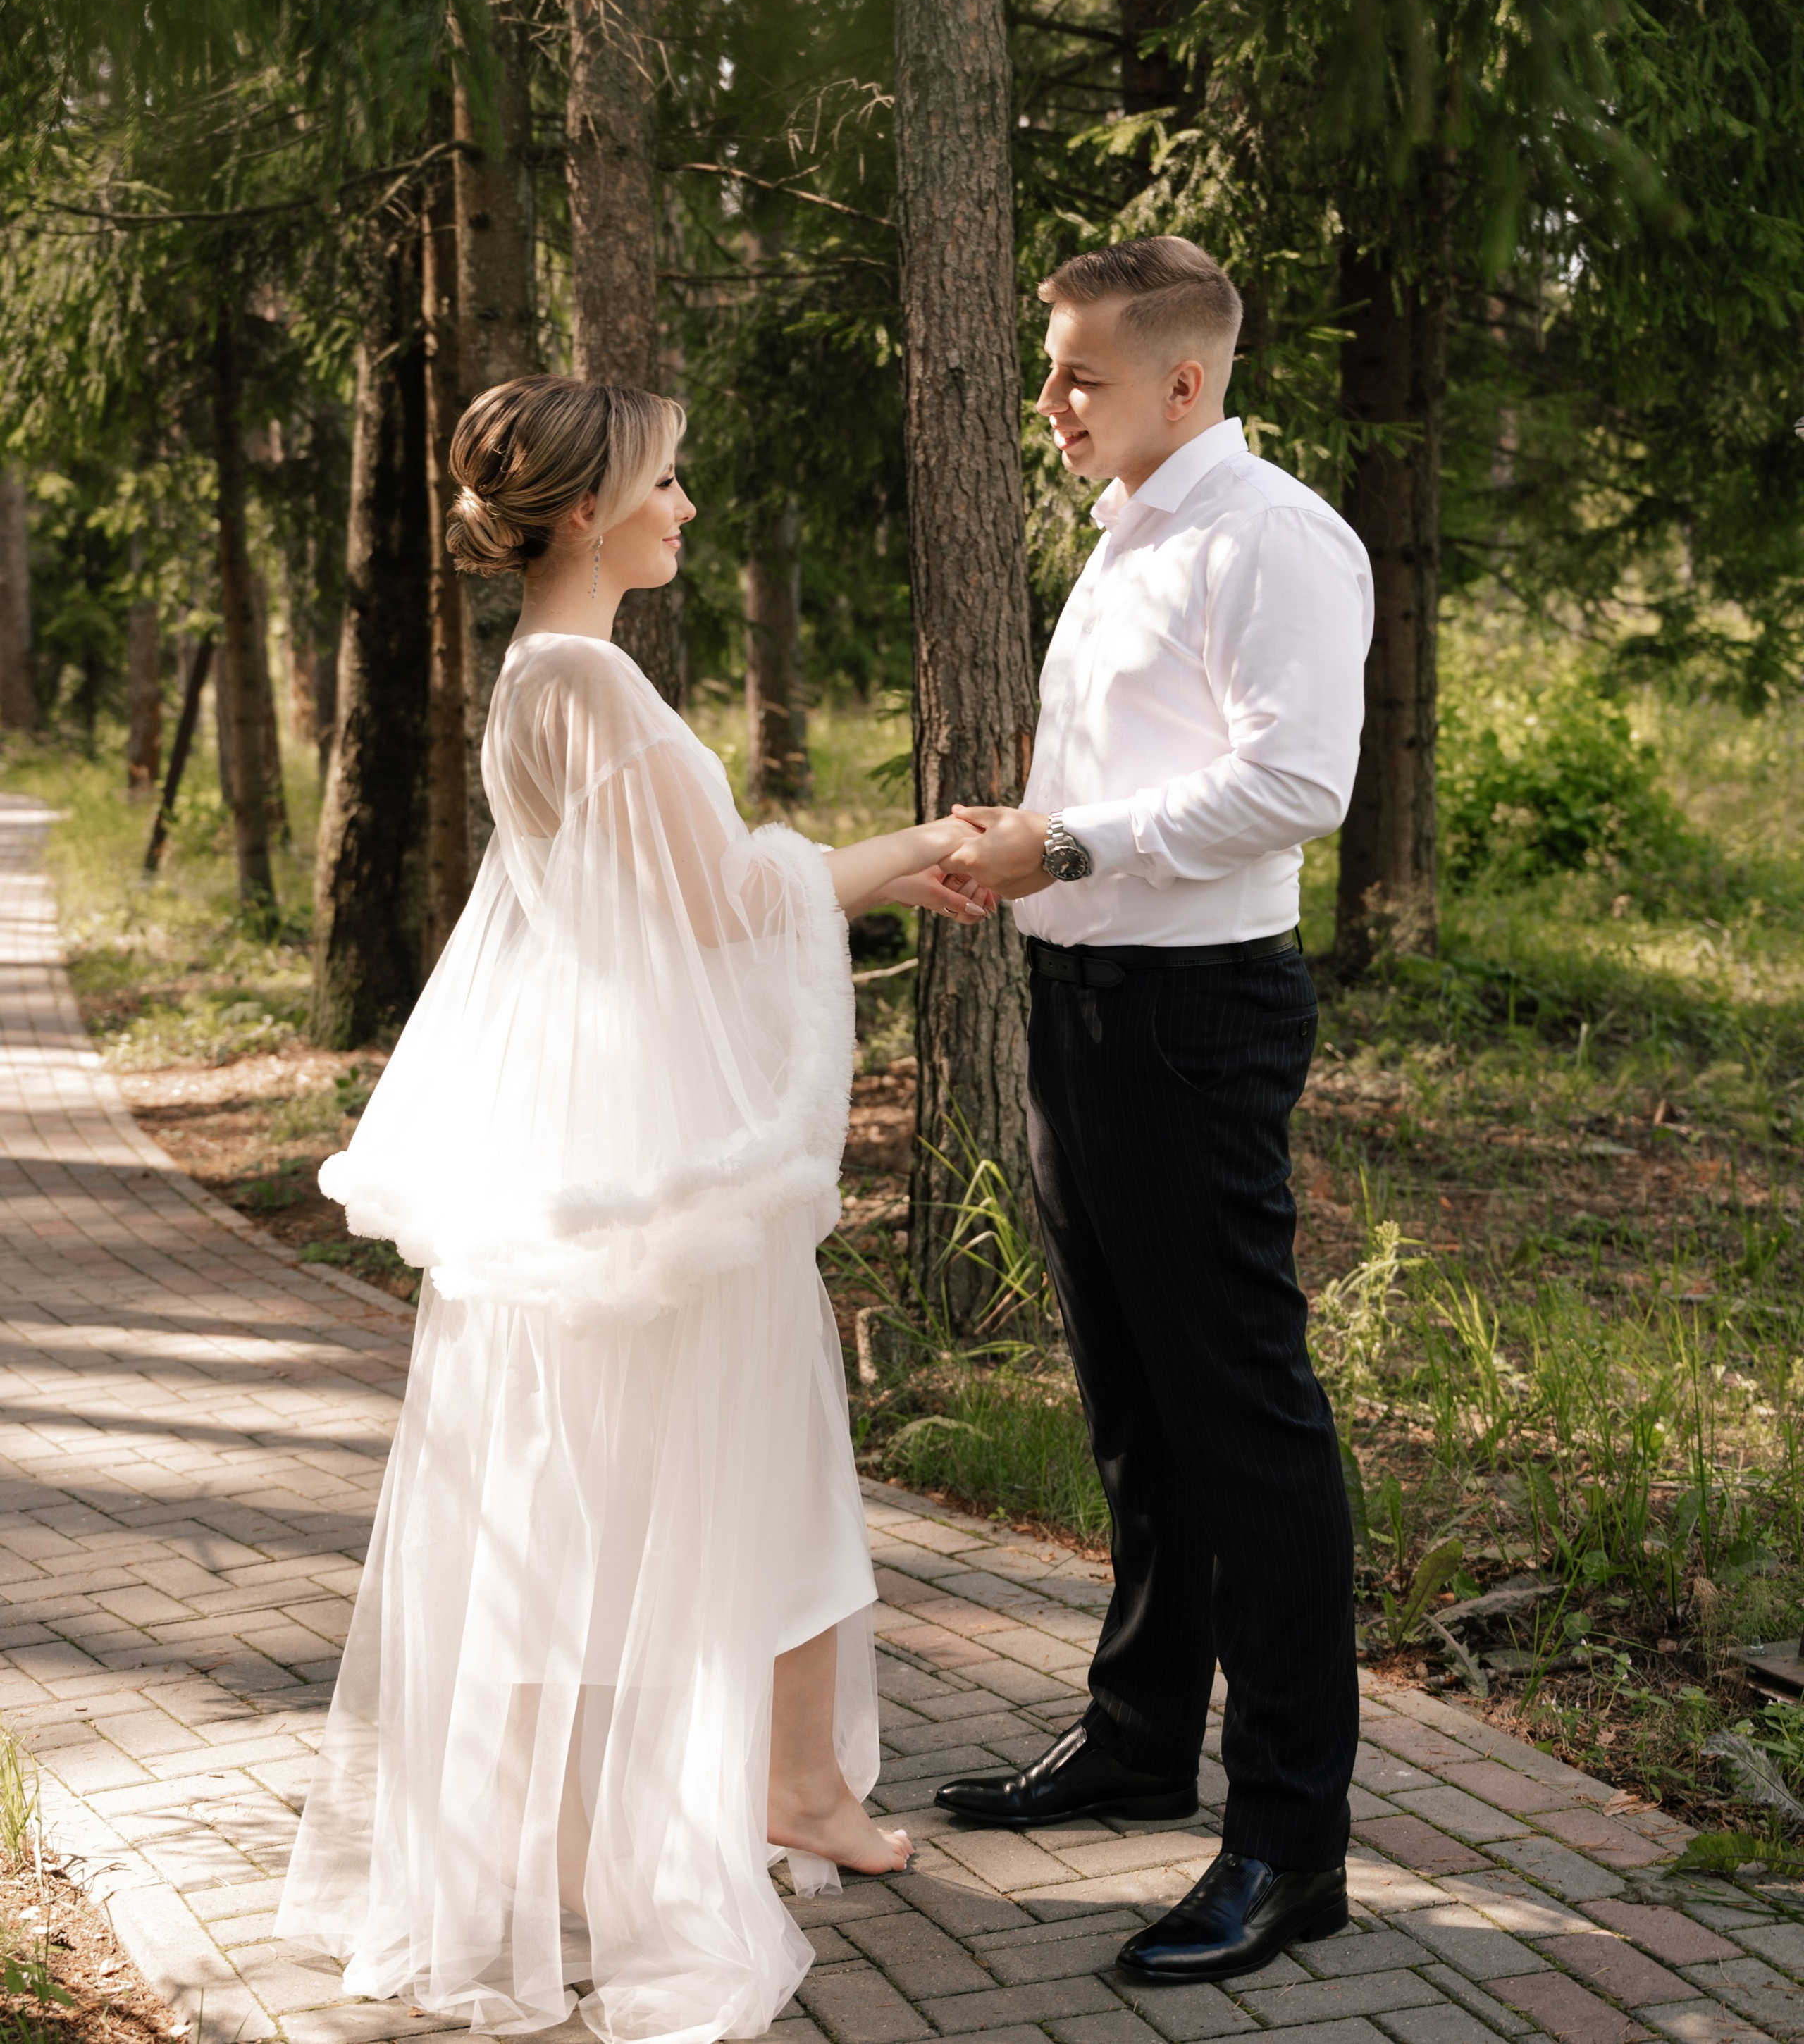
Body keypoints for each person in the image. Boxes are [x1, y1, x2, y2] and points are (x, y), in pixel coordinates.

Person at [276, 376, 990, 2044]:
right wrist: (923, 846)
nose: (687, 509)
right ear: (589, 509)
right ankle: (688, 1811)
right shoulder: (583, 681)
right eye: (668, 483)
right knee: (683, 1464)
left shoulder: (551, 677)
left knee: (633, 1470)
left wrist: (886, 864)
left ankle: (744, 1787)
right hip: (657, 1161)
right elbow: (722, 904)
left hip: (622, 1139)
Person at [939, 237, 1374, 1986]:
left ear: (1182, 380)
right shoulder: (1134, 525)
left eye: (1079, 374)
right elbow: (1139, 771)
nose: (1048, 400)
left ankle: (1287, 1839)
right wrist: (1038, 832)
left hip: (1191, 1027)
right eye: (1050, 368)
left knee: (1242, 1424)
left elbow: (1296, 780)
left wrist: (1073, 841)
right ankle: (1136, 1739)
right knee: (1135, 1411)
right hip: (1081, 1013)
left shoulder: (1265, 535)